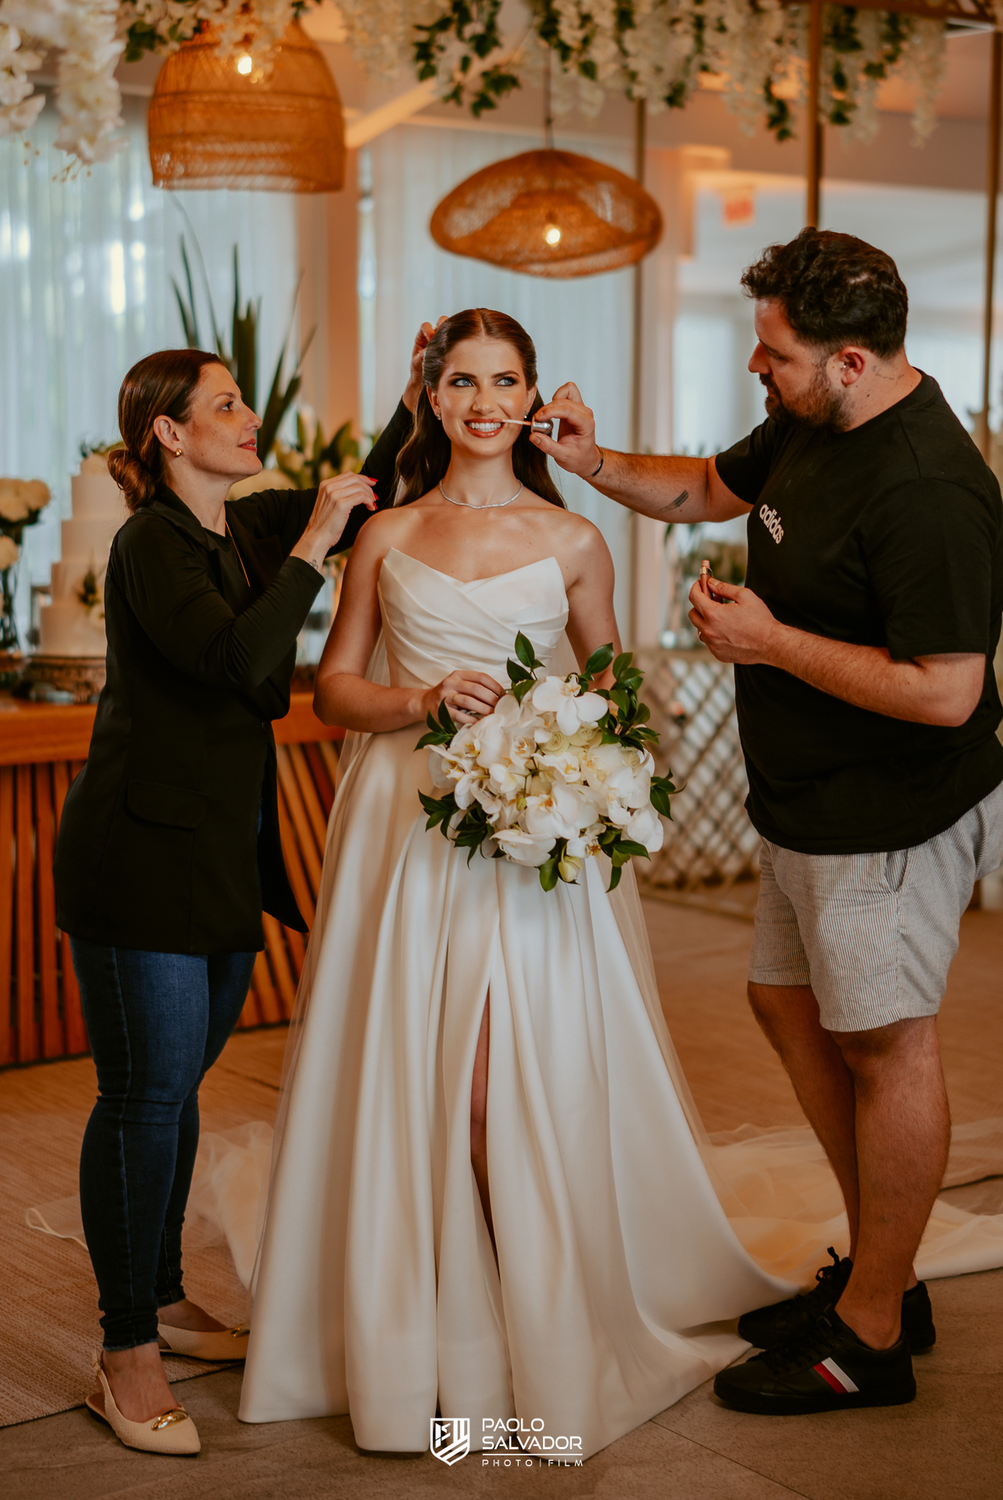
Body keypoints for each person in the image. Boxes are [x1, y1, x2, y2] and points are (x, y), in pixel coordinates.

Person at [237, 308, 804, 1457]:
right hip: (409, 833)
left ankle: (522, 1326)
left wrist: (575, 765)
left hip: (531, 842)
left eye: (505, 379)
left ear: (532, 396)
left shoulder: (575, 540)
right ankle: (426, 1345)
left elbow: (615, 694)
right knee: (415, 1076)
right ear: (434, 399)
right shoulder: (387, 535)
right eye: (463, 380)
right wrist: (419, 702)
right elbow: (334, 691)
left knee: (499, 1093)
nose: (484, 399)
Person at [531, 228, 1003, 1415]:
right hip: (808, 801)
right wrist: (593, 463)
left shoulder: (930, 486)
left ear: (852, 361)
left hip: (891, 814)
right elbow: (706, 487)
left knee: (887, 1043)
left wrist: (769, 643)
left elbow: (948, 690)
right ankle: (884, 1273)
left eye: (776, 353)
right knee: (787, 1004)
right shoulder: (814, 417)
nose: (759, 367)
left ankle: (872, 1338)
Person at [53, 334, 427, 1455]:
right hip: (138, 865)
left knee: (177, 1089)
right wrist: (312, 545)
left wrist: (414, 403)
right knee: (143, 1096)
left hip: (219, 861)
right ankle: (125, 1353)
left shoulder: (244, 530)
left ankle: (161, 1294)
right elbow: (243, 669)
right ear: (168, 432)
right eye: (222, 405)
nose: (246, 414)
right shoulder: (148, 548)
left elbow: (358, 496)